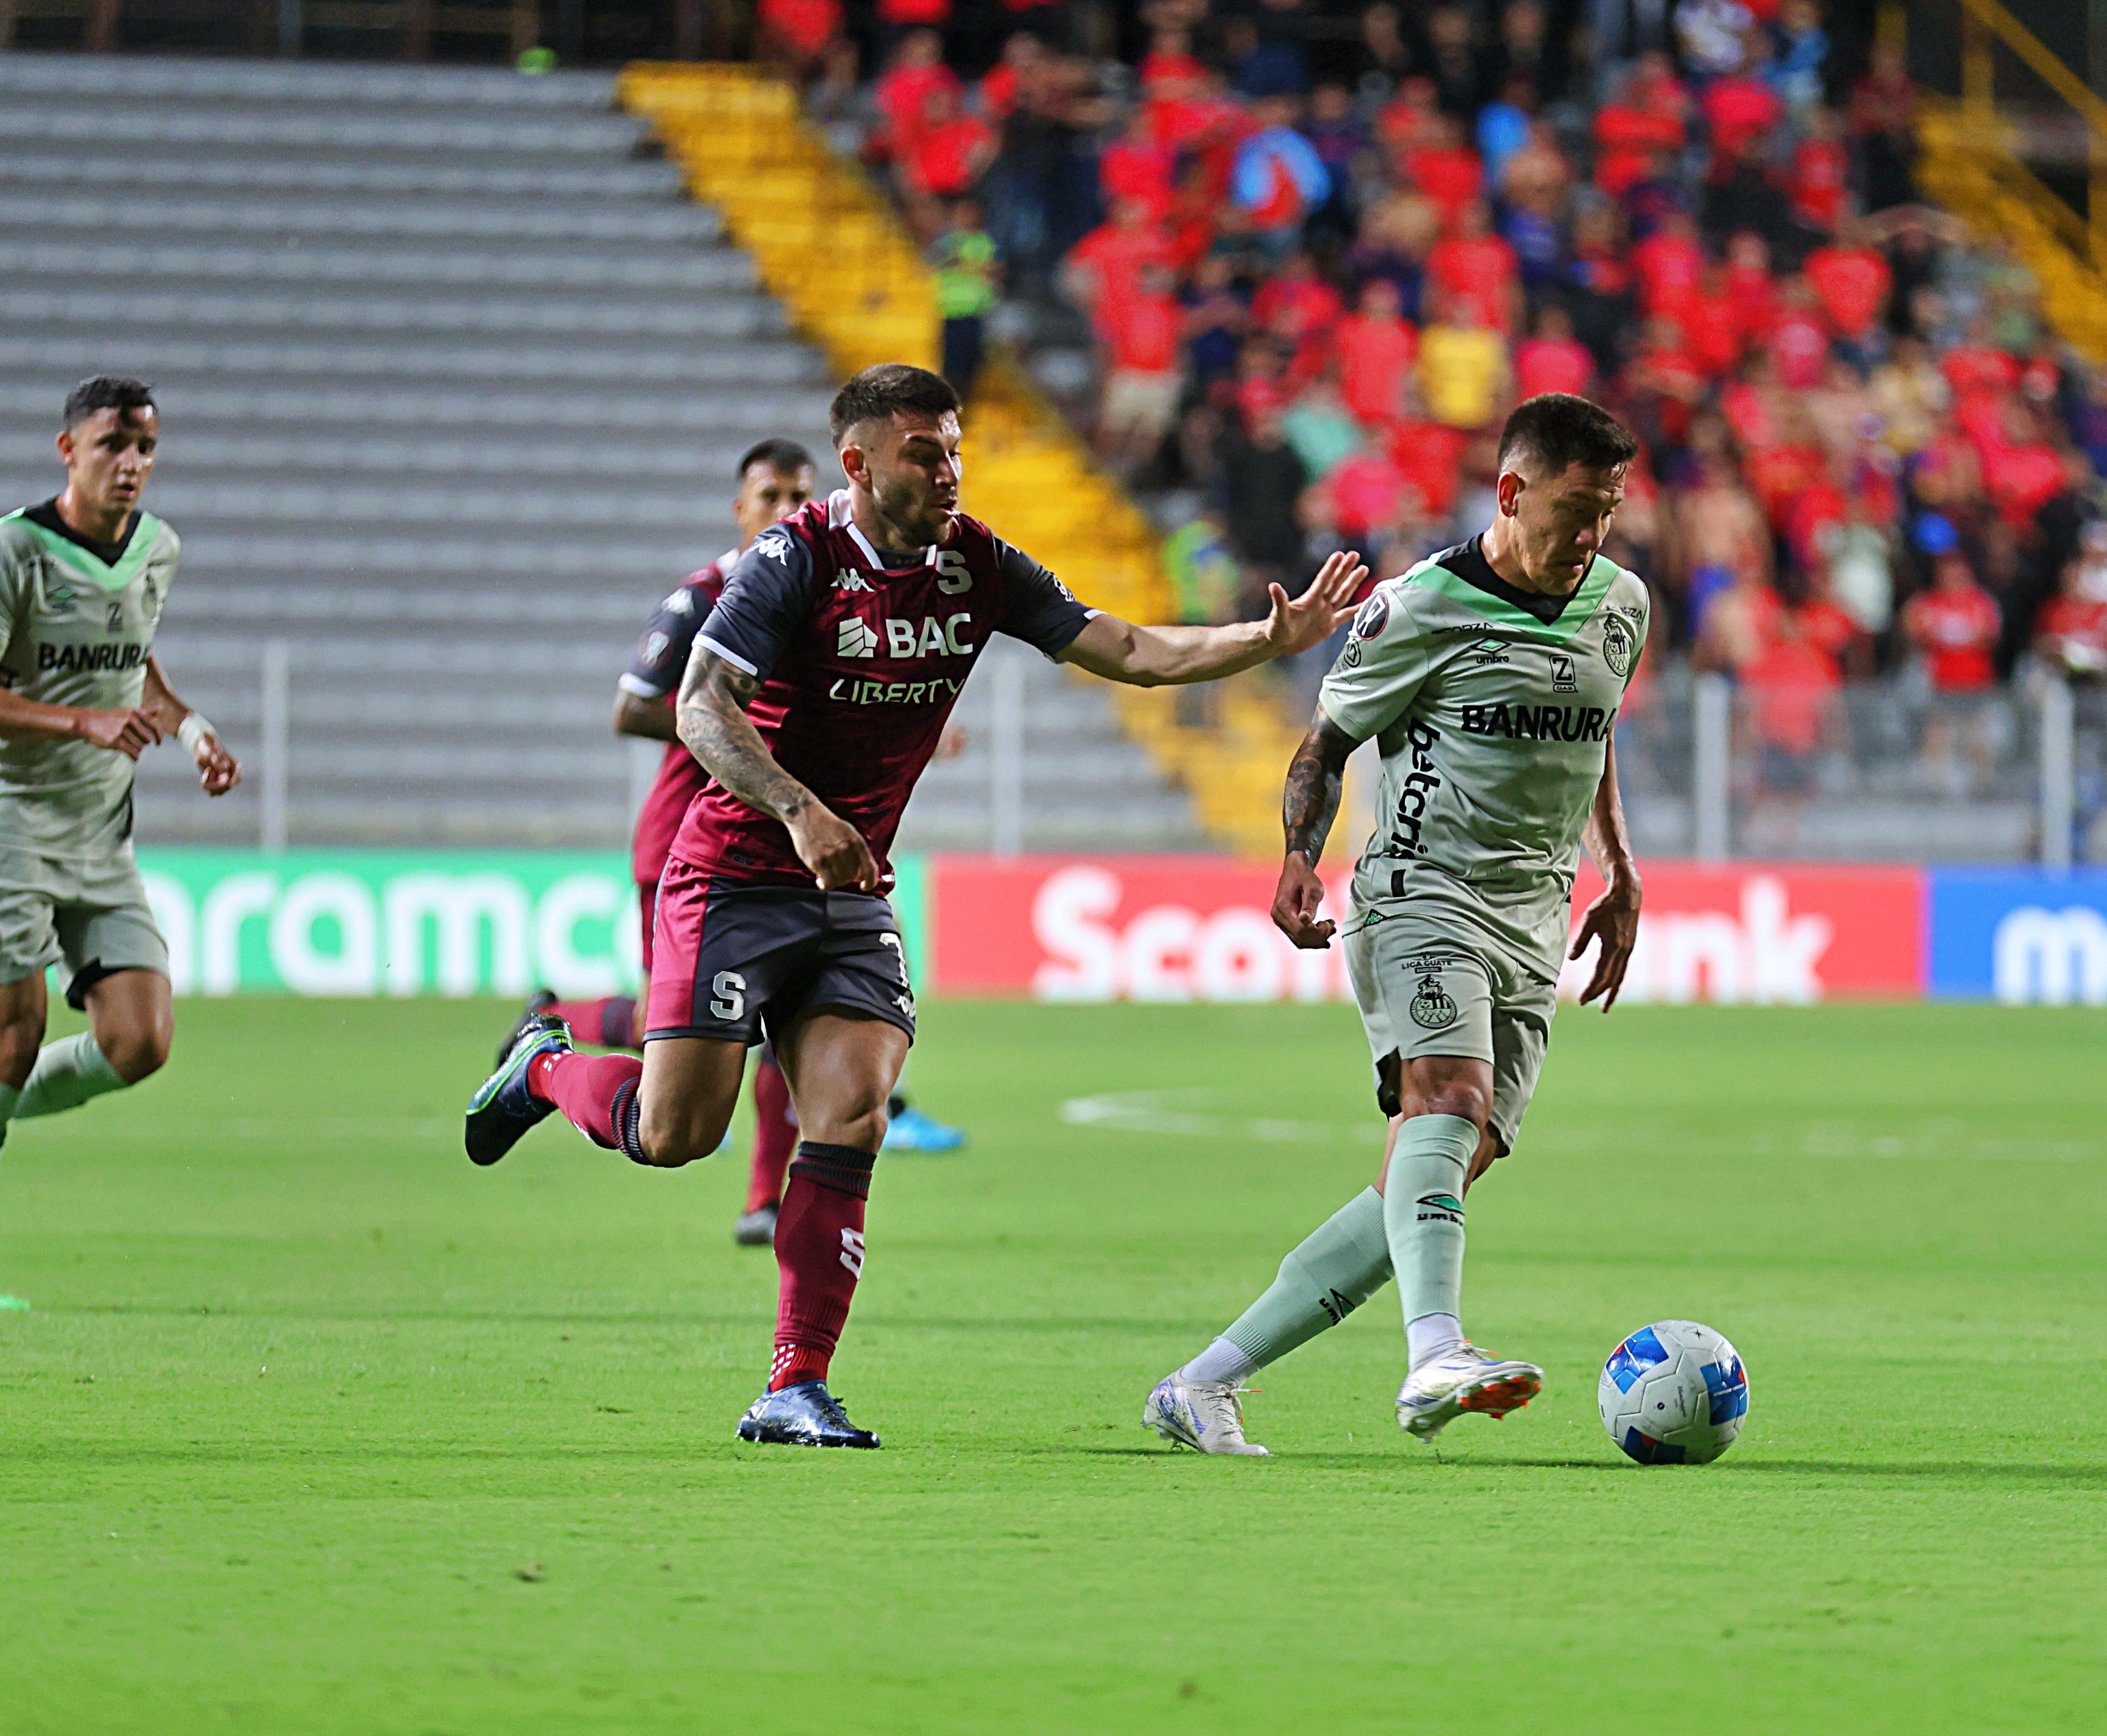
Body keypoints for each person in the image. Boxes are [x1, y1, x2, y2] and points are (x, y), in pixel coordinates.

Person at [465, 364, 1363, 1448]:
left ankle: (793, 1381)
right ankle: (545, 1065)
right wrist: (800, 811)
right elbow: (699, 711)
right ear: (858, 463)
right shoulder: (791, 559)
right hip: (738, 877)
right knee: (674, 1134)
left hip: (849, 892)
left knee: (849, 1112)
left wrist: (1263, 642)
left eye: (955, 450)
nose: (949, 473)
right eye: (924, 455)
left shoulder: (976, 561)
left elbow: (1124, 647)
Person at [1143, 393, 1647, 1454]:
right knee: (1446, 1099)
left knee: (1430, 1175)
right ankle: (1435, 1355)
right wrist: (1293, 859)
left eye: (1607, 510)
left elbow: (1593, 734)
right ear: (1510, 493)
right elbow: (1323, 746)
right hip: (1419, 893)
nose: (1591, 534)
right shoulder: (1419, 606)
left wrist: (1622, 869)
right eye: (1573, 508)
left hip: (1533, 916)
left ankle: (1203, 1381)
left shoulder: (1619, 604)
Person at [501, 440, 818, 1248]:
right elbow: (630, 707)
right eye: (769, 496)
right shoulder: (704, 598)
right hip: (689, 844)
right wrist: (720, 722)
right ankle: (553, 1029)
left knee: (776, 1018)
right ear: (738, 507)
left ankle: (761, 1202)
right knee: (675, 1040)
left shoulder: (818, 597)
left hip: (776, 842)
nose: (784, 512)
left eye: (798, 496)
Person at [0, 377, 242, 1309]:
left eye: (146, 446)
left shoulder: (156, 550)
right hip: (14, 820)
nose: (133, 463)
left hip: (101, 834)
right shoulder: (16, 550)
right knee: (15, 1033)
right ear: (68, 450)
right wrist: (79, 725)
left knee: (140, 1040)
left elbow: (134, 664)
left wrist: (191, 732)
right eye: (113, 445)